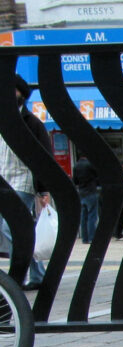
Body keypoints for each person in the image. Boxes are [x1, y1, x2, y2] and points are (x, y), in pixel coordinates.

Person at [0, 75, 53, 290]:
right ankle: (36, 274)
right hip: (3, 180)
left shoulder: (32, 123)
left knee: (11, 228)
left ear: (22, 94)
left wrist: (43, 189)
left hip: (22, 182)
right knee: (16, 230)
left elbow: (43, 156)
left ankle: (18, 275)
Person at [73, 153, 99, 245]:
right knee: (92, 215)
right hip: (91, 191)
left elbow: (75, 180)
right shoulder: (90, 165)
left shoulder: (76, 166)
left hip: (82, 192)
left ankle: (85, 238)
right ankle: (92, 237)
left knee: (83, 216)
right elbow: (97, 176)